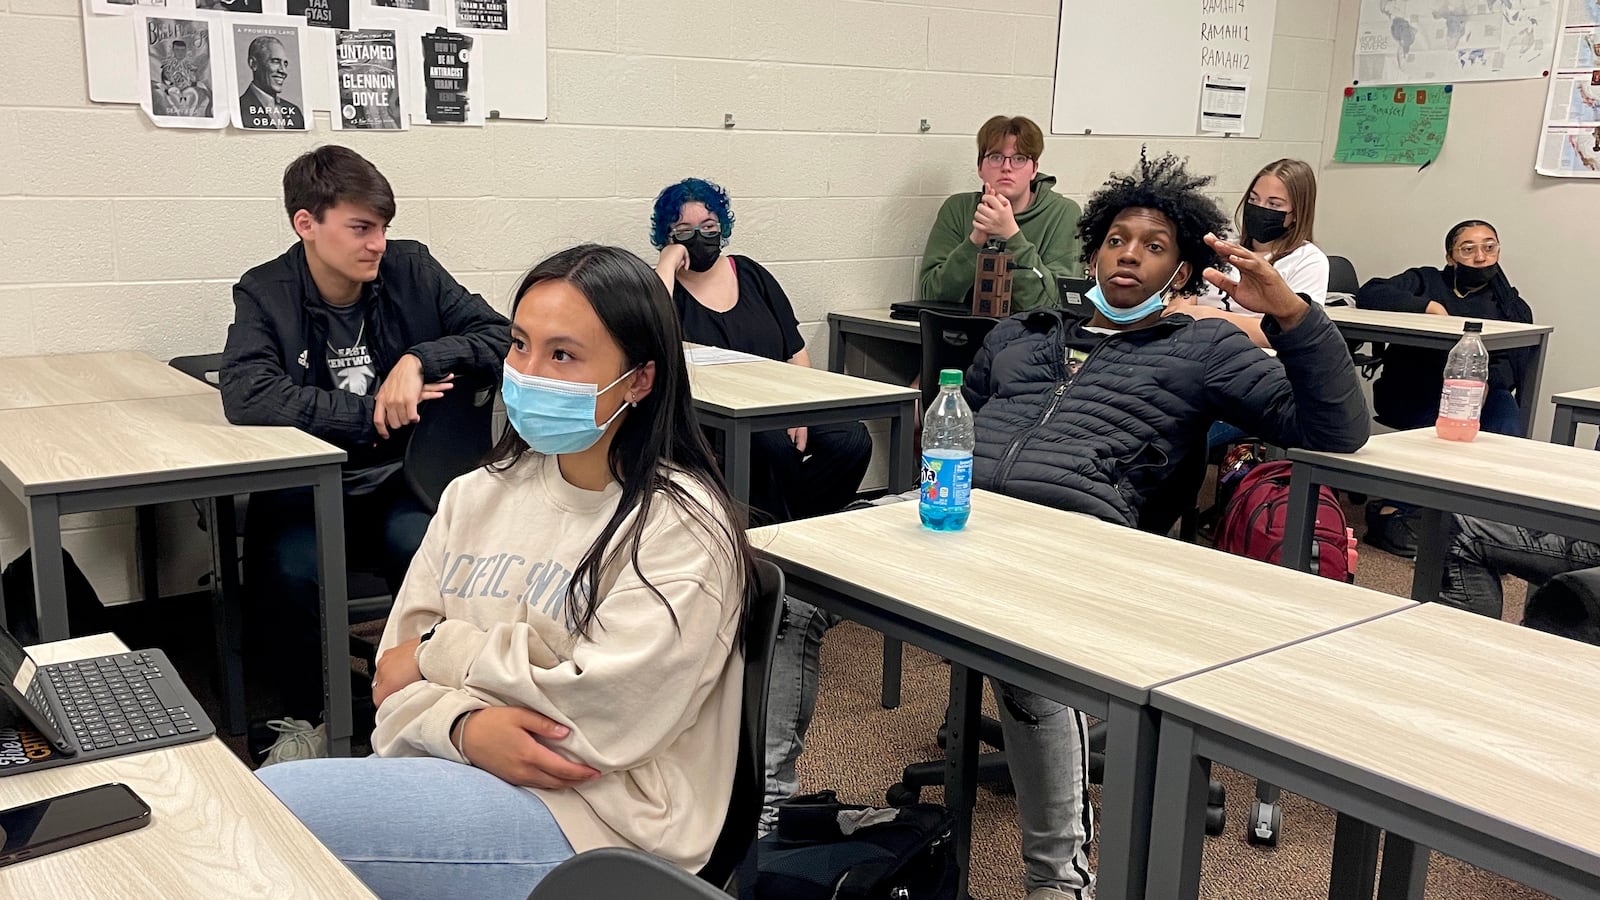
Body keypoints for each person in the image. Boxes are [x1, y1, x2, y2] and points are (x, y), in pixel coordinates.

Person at [771, 150, 1370, 900]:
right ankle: (764, 811)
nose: (1131, 255)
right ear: (1093, 249)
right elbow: (959, 423)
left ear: (1182, 271)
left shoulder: (1205, 349)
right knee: (784, 581)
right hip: (952, 517)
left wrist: (1287, 312)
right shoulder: (1025, 333)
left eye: (1155, 246)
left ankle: (1057, 880)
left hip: (1075, 542)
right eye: (1119, 239)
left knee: (1032, 658)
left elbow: (1336, 431)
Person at [256, 245, 752, 900]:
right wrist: (468, 727)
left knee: (272, 814)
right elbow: (386, 686)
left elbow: (597, 726)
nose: (528, 373)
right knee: (254, 815)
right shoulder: (478, 494)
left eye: (563, 355)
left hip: (600, 822)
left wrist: (438, 654)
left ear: (638, 380)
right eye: (520, 345)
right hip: (463, 764)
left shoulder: (679, 528)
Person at [221, 145, 509, 763]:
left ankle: (434, 702)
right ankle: (300, 719)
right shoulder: (265, 291)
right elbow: (246, 393)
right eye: (359, 227)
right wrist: (368, 413)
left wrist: (419, 359)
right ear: (307, 224)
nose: (377, 243)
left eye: (381, 227)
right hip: (306, 491)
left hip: (405, 481)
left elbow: (500, 334)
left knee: (430, 552)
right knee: (289, 572)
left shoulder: (411, 270)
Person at [651, 177, 870, 524]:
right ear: (668, 237)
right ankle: (771, 537)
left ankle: (798, 523)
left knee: (850, 439)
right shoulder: (662, 288)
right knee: (770, 446)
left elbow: (795, 352)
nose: (699, 237)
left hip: (778, 403)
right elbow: (653, 333)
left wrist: (799, 409)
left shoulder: (751, 274)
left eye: (708, 227)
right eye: (684, 230)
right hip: (710, 419)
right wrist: (666, 266)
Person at [1356, 220, 1533, 555]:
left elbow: (1514, 362)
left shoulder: (1508, 304)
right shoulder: (1425, 280)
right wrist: (1428, 308)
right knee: (1437, 427)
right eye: (1468, 249)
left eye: (1489, 246)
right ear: (1451, 256)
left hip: (1479, 392)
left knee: (1506, 416)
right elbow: (1371, 292)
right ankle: (1397, 510)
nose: (1480, 257)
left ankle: (1486, 521)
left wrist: (1483, 383)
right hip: (1414, 386)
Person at [919, 115, 1083, 312]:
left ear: (1034, 170)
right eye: (996, 157)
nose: (1006, 167)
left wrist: (1012, 236)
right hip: (964, 333)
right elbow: (931, 295)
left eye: (1019, 158)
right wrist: (975, 241)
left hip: (1033, 338)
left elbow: (1055, 303)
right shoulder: (958, 209)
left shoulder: (1063, 213)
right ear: (980, 167)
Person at [1181, 158, 1330, 347]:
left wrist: (1208, 317)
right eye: (1253, 199)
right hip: (1194, 349)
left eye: (1274, 204)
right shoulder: (1221, 244)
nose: (1260, 208)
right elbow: (1181, 308)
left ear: (1297, 214)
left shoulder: (1308, 260)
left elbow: (1289, 333)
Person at [238, 35, 304, 130]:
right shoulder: (239, 110)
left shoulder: (295, 113)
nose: (283, 71)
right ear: (253, 64)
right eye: (275, 62)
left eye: (285, 64)